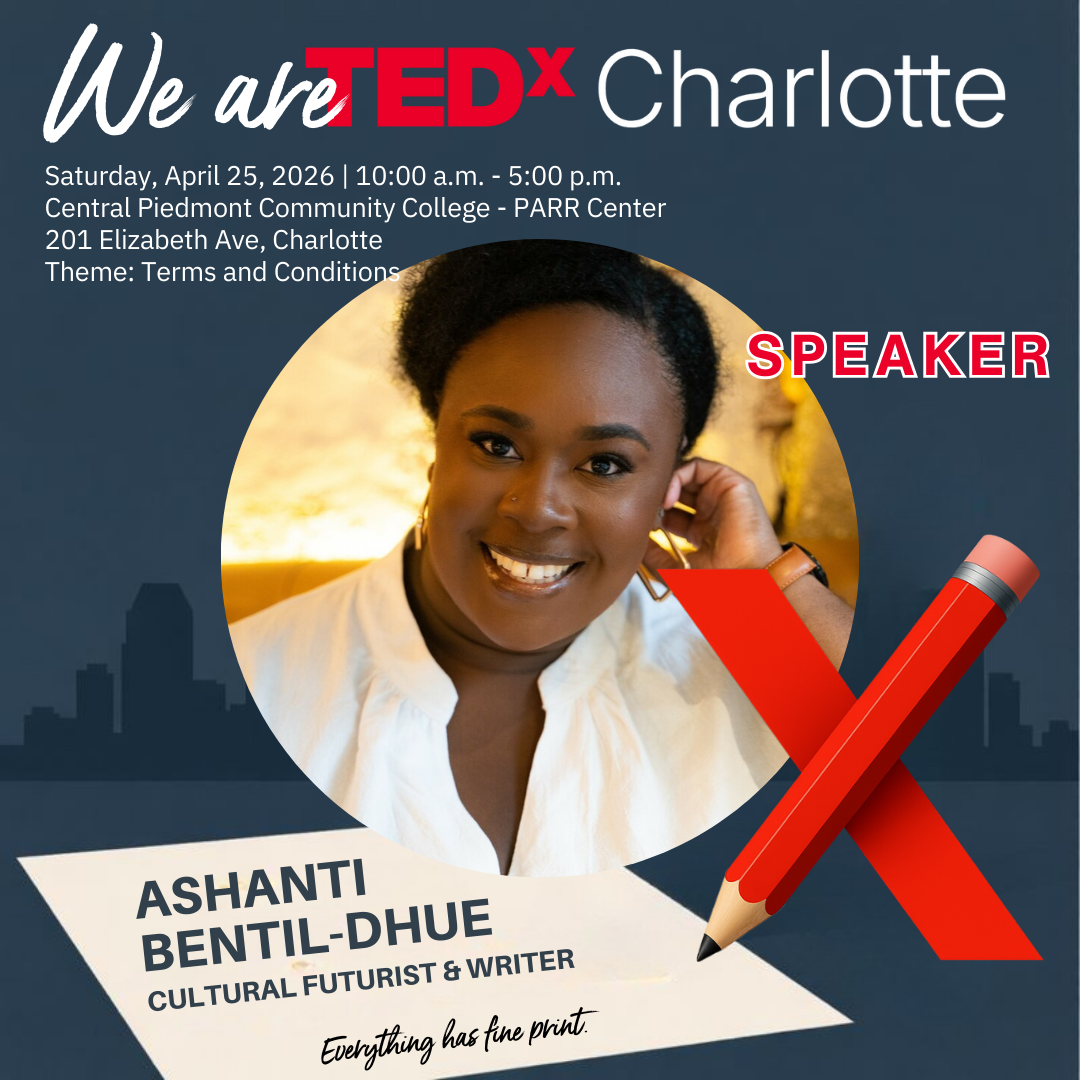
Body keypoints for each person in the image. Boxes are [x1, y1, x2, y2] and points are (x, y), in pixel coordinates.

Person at [230, 241, 853, 877]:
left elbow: (918, 842)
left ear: (670, 488)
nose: (536, 509)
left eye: (605, 463)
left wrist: (770, 586)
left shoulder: (755, 671)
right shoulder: (250, 679)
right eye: (496, 445)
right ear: (436, 441)